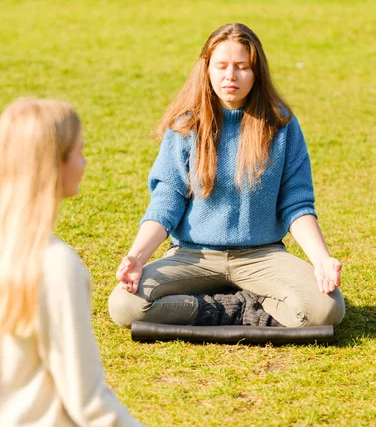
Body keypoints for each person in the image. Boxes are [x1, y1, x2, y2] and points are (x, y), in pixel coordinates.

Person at [0, 98, 250, 427]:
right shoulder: (54, 265)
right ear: (54, 165)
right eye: (79, 152)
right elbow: (92, 407)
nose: (84, 163)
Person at [109, 23, 345, 329]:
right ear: (206, 69)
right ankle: (223, 308)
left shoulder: (281, 124)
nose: (230, 76)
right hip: (193, 257)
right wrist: (137, 256)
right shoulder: (185, 126)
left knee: (327, 309)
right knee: (125, 305)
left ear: (256, 73)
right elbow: (167, 201)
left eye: (241, 67)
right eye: (221, 66)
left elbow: (296, 205)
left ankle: (247, 305)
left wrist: (322, 260)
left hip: (262, 256)